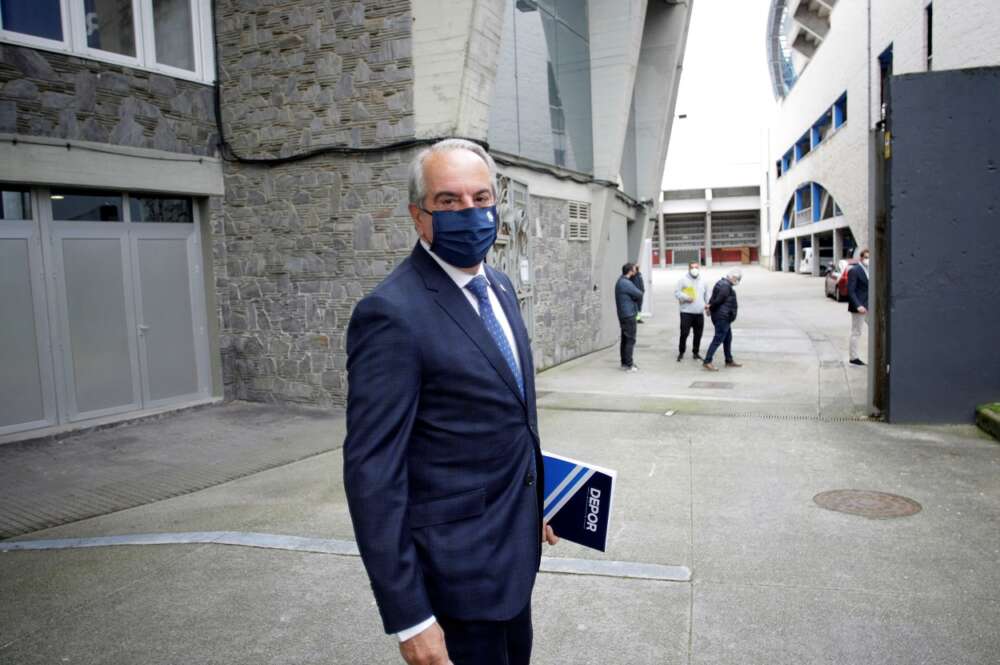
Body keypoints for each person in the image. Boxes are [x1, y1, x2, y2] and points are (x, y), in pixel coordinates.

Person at [343, 139, 558, 665]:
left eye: (482, 198)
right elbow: (374, 473)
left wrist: (534, 501)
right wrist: (411, 618)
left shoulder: (500, 287)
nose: (472, 213)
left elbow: (505, 415)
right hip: (454, 583)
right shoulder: (391, 314)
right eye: (449, 202)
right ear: (419, 217)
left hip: (513, 560)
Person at [702, 267, 743, 372]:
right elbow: (719, 300)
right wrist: (710, 307)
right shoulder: (725, 286)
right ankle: (707, 361)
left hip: (724, 317)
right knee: (718, 339)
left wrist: (709, 306)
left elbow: (713, 298)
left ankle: (729, 360)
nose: (736, 281)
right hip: (722, 317)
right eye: (736, 279)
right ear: (732, 277)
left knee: (728, 338)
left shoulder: (721, 283)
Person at [674, 261, 710, 361]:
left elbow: (707, 295)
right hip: (686, 312)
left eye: (696, 267)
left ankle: (696, 352)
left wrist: (708, 306)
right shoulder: (683, 280)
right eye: (692, 267)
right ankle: (681, 352)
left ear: (699, 268)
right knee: (684, 333)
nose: (694, 269)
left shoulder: (703, 281)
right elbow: (677, 293)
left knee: (698, 334)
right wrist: (686, 297)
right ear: (689, 269)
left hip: (699, 313)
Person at [615, 262, 644, 371]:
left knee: (625, 339)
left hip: (624, 314)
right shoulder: (625, 283)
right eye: (634, 269)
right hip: (629, 315)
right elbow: (639, 293)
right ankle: (629, 364)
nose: (636, 271)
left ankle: (624, 362)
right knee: (630, 340)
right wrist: (637, 278)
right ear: (630, 271)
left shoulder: (622, 281)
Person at [847, 248, 870, 366]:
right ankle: (853, 357)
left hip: (869, 306)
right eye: (866, 257)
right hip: (859, 307)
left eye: (869, 257)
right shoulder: (854, 270)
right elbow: (851, 291)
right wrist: (858, 305)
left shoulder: (870, 270)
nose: (868, 260)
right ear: (861, 258)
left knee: (875, 330)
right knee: (856, 332)